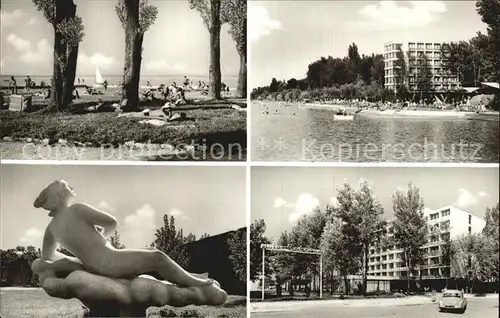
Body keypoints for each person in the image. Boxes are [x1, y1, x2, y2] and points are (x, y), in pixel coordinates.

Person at [34, 180, 214, 288]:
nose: (71, 188)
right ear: (59, 195)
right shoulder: (77, 209)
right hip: (110, 261)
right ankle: (193, 282)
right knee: (157, 257)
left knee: (150, 250)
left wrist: (79, 259)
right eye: (67, 186)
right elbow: (111, 223)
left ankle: (189, 275)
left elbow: (47, 255)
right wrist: (100, 240)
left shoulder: (51, 229)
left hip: (96, 266)